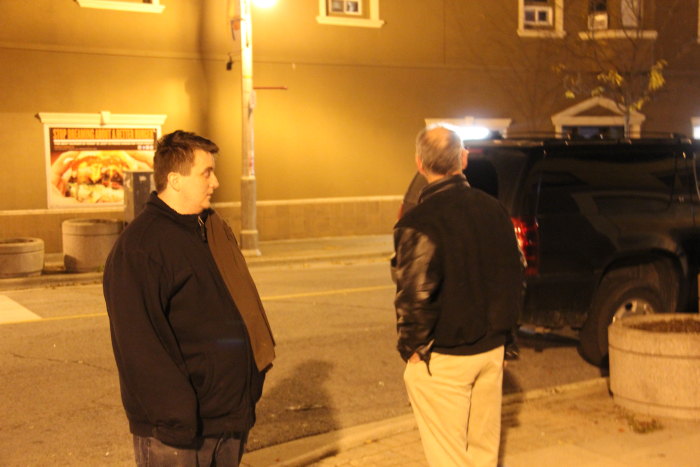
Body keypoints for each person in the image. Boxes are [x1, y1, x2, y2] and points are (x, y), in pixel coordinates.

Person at [103, 130, 275, 467]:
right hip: (178, 433)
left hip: (227, 420)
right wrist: (177, 416)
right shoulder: (141, 248)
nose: (216, 182)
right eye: (206, 173)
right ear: (175, 180)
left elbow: (243, 309)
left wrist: (250, 385)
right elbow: (139, 345)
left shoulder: (210, 230)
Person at [392, 125, 523, 467]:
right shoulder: (495, 210)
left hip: (445, 356)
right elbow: (513, 276)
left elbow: (414, 294)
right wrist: (505, 338)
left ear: (420, 164)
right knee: (483, 452)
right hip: (491, 349)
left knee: (449, 456)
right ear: (463, 160)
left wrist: (413, 351)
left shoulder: (418, 222)